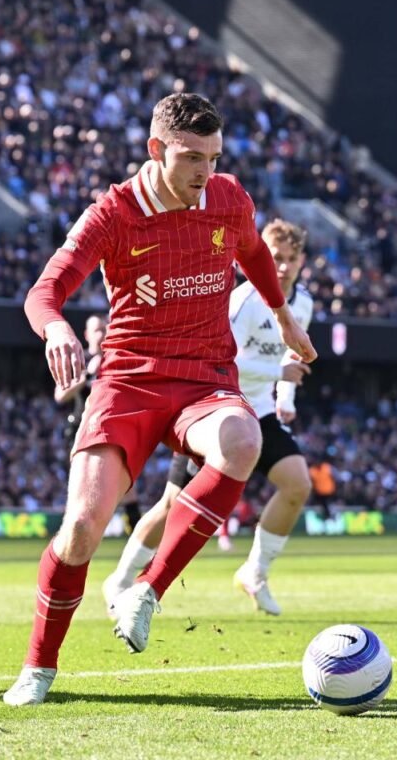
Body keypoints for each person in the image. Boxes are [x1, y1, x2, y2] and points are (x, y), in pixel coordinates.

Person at [3, 93, 315, 706]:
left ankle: (147, 588)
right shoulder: (112, 214)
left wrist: (283, 317)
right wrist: (58, 328)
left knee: (243, 440)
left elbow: (252, 252)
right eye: (192, 157)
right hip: (128, 381)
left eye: (214, 156)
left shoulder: (228, 198)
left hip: (205, 376)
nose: (206, 171)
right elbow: (44, 293)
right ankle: (39, 667)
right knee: (82, 529)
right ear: (156, 150)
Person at [103, 219, 316, 618]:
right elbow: (227, 358)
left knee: (297, 484)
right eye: (274, 259)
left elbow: (292, 355)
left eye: (290, 259)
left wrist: (285, 396)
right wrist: (278, 377)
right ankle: (120, 578)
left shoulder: (302, 304)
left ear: (302, 261)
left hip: (261, 413)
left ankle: (255, 572)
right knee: (171, 505)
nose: (282, 267)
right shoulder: (242, 301)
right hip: (217, 409)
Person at [56, 315, 143, 533]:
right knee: (80, 491)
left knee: (128, 489)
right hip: (81, 430)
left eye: (104, 329)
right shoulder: (80, 360)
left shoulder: (118, 360)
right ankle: (70, 539)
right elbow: (60, 395)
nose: (101, 334)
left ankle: (138, 546)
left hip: (112, 428)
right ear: (86, 335)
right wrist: (86, 375)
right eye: (96, 330)